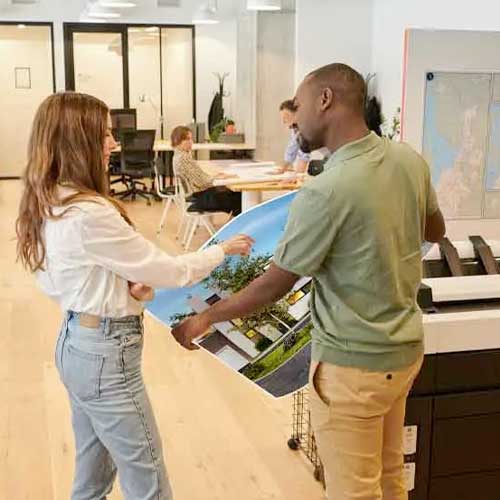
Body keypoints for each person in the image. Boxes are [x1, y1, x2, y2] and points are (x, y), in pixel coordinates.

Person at [172, 63, 446, 500]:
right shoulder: (409, 160)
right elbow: (434, 231)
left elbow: (274, 285)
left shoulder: (326, 190)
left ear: (325, 100)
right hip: (404, 353)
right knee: (391, 478)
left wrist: (205, 318)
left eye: (297, 106)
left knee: (353, 492)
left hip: (353, 367)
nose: (293, 117)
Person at [15, 92, 254, 500]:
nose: (114, 143)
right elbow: (171, 270)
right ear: (78, 141)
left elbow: (62, 277)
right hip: (106, 355)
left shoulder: (49, 198)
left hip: (76, 342)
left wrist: (120, 287)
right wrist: (221, 249)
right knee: (148, 481)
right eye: (104, 134)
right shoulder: (89, 212)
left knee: (92, 477)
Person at [171, 125, 242, 215]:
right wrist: (219, 179)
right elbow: (201, 182)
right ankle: (235, 227)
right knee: (239, 197)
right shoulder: (183, 158)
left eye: (191, 139)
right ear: (178, 141)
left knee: (231, 193)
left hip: (197, 196)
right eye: (187, 139)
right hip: (201, 198)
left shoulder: (178, 155)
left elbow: (199, 178)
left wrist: (215, 177)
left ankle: (233, 225)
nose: (191, 142)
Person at [279, 99, 311, 174]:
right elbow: (291, 149)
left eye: (286, 116)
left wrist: (297, 177)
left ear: (296, 113)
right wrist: (282, 170)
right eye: (282, 118)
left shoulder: (306, 127)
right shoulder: (295, 128)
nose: (284, 121)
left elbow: (304, 155)